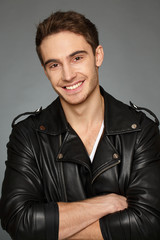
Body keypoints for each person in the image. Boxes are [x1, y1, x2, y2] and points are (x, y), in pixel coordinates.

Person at [0, 11, 160, 240]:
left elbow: (148, 224)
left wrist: (54, 230)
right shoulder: (27, 135)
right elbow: (17, 220)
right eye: (54, 64)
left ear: (98, 56)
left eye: (77, 58)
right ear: (46, 71)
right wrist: (104, 204)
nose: (68, 75)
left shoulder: (141, 130)